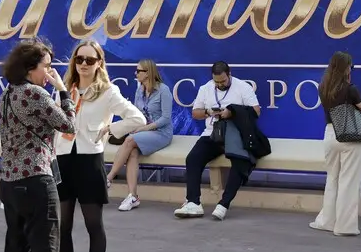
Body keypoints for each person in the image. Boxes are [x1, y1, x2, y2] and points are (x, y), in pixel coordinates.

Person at [55, 40, 146, 252]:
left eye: (90, 60)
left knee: (93, 226)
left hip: (89, 163)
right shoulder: (64, 90)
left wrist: (110, 129)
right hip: (63, 161)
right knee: (63, 227)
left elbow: (138, 119)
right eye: (79, 59)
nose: (84, 64)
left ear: (99, 63)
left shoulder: (108, 91)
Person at [0, 38, 77, 252]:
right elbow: (69, 126)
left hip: (9, 183)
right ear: (29, 67)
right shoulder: (34, 93)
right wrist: (63, 91)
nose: (50, 72)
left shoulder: (6, 94)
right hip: (35, 181)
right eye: (47, 66)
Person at [174, 61, 263, 221]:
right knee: (193, 158)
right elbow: (195, 113)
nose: (220, 84)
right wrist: (209, 112)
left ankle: (224, 204)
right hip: (212, 133)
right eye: (217, 82)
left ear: (229, 74)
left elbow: (256, 111)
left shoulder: (243, 87)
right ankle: (193, 202)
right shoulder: (205, 88)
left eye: (223, 81)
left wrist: (232, 112)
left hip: (236, 134)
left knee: (240, 161)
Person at [309, 51, 361, 236]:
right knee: (349, 182)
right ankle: (345, 227)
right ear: (346, 68)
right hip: (350, 135)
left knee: (332, 179)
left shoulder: (323, 87)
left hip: (330, 134)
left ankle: (327, 221)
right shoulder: (351, 89)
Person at [106, 59, 174, 211]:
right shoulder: (139, 90)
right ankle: (133, 196)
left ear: (148, 73)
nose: (135, 73)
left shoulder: (164, 90)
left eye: (138, 71)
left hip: (161, 133)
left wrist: (145, 128)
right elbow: (137, 114)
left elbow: (166, 118)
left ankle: (108, 178)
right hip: (143, 132)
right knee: (133, 153)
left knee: (130, 140)